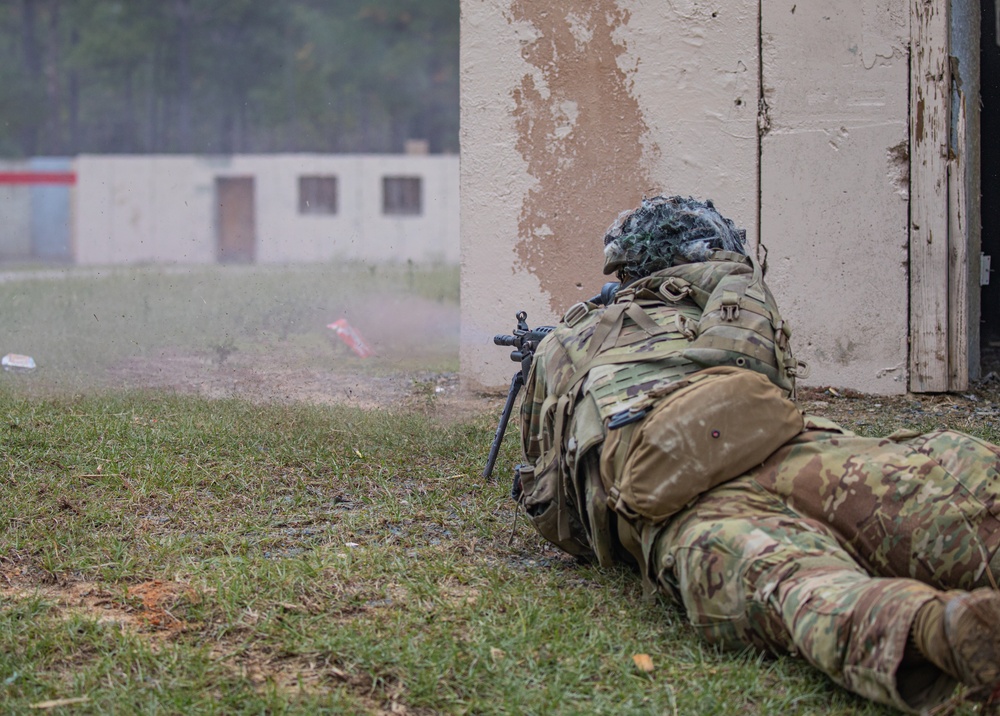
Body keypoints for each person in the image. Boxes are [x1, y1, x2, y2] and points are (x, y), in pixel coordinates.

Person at [512, 195, 1000, 714]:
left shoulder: (564, 340)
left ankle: (933, 626)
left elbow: (551, 499)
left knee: (796, 586)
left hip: (668, 502)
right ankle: (939, 626)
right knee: (944, 499)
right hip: (783, 454)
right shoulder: (727, 295)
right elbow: (751, 365)